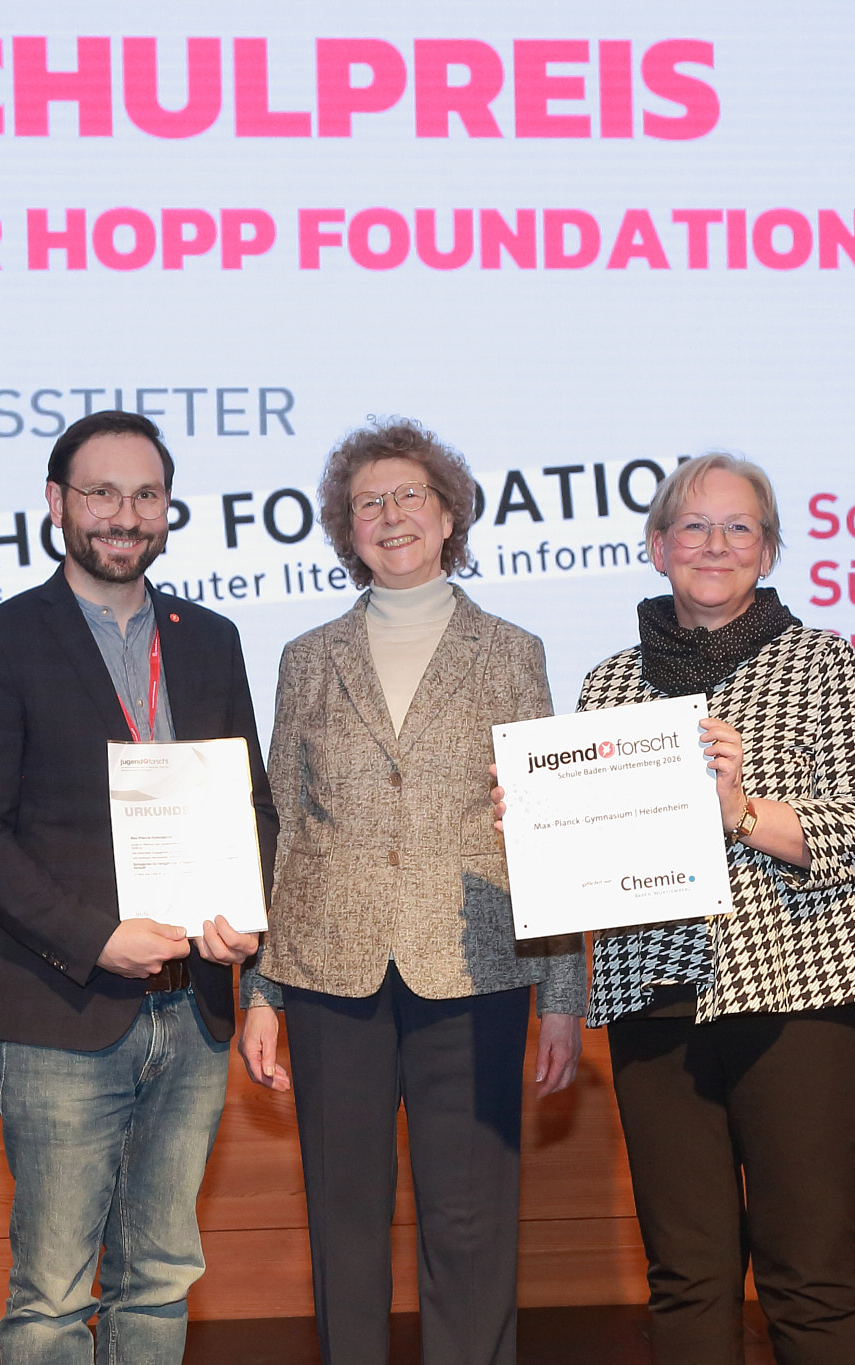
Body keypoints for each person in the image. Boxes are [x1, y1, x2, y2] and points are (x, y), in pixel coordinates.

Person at [502, 451, 855, 1364]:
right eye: (693, 526)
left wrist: (742, 812)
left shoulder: (823, 662)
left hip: (798, 1000)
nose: (715, 544)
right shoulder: (608, 684)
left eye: (738, 527)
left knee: (810, 1278)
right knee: (686, 1279)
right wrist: (536, 826)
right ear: (657, 546)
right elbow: (588, 857)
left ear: (769, 549)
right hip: (655, 1004)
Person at [236, 417, 586, 1365]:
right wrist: (261, 991)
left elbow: (546, 826)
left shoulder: (511, 650)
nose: (391, 516)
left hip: (474, 965)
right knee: (342, 1216)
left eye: (409, 497)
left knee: (470, 1225)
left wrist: (562, 996)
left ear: (449, 515)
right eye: (368, 503)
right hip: (328, 973)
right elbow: (285, 829)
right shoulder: (306, 656)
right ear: (346, 529)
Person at [0, 409, 277, 1365]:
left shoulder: (210, 639)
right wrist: (95, 937)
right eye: (101, 493)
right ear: (56, 503)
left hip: (196, 1006)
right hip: (62, 1011)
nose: (124, 515)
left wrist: (242, 916)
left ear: (167, 509)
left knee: (160, 1275)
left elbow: (251, 805)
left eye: (145, 495)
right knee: (52, 1294)